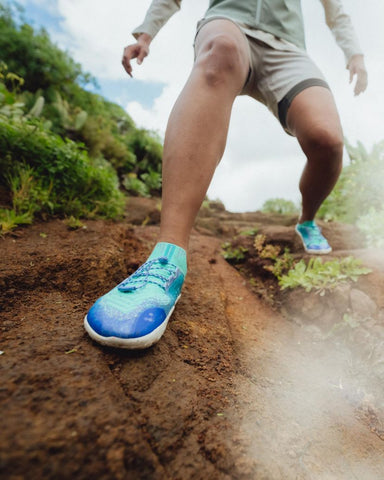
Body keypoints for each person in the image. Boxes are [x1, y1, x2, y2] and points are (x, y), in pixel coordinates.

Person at [84, 0, 368, 349]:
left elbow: (335, 10)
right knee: (221, 51)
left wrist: (355, 54)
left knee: (327, 140)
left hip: (288, 49)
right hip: (229, 24)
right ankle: (166, 257)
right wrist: (146, 32)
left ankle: (307, 221)